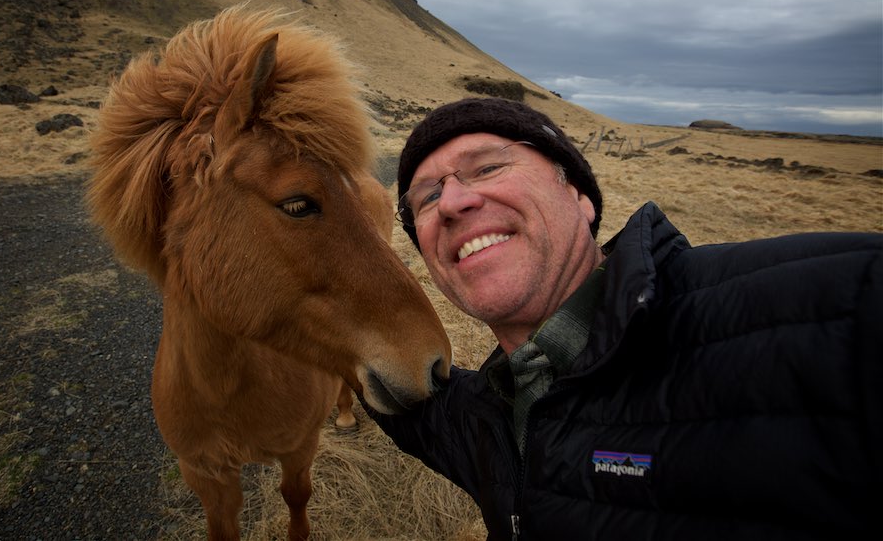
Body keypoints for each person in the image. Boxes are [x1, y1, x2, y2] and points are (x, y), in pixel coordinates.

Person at [368, 97, 881, 540]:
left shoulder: (830, 306)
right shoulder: (489, 413)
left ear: (580, 196)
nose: (454, 200)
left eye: (486, 167)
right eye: (428, 196)